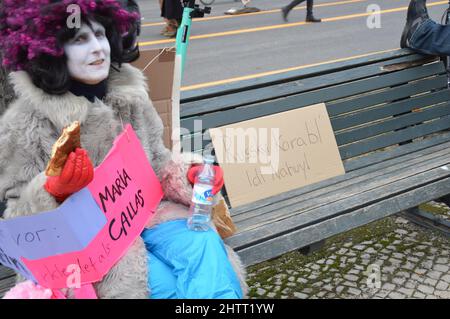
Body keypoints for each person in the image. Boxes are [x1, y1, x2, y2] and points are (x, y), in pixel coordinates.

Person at [0, 0, 246, 299]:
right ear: (50, 50)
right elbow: (18, 219)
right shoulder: (24, 122)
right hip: (88, 248)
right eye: (80, 40)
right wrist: (53, 190)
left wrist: (190, 175)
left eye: (101, 35)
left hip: (146, 217)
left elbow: (158, 163)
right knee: (162, 284)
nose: (98, 49)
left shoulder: (130, 97)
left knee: (201, 241)